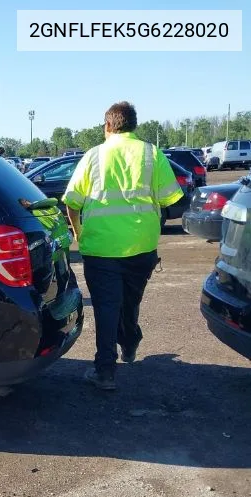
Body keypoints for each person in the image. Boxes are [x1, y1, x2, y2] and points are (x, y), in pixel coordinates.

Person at [61, 101, 183, 391]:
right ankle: (129, 341)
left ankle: (105, 371)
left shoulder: (93, 156)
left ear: (107, 125)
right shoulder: (152, 155)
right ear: (133, 125)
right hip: (141, 249)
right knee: (130, 303)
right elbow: (172, 200)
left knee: (106, 308)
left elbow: (72, 202)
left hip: (101, 249)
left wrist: (79, 233)